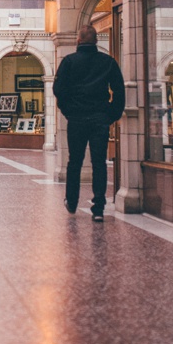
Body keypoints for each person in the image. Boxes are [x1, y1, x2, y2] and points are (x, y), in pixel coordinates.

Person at [53, 24, 125, 221]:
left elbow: (59, 89)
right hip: (99, 119)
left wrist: (68, 110)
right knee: (98, 163)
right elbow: (119, 90)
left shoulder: (69, 62)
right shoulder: (107, 62)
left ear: (78, 40)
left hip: (76, 119)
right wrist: (111, 114)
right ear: (96, 41)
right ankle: (99, 207)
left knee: (74, 161)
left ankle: (72, 200)